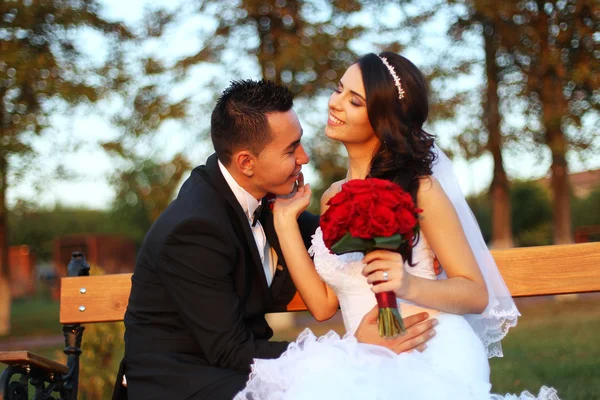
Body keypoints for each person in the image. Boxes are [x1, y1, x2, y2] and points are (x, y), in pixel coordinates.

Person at [235, 53, 559, 399]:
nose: (336, 103)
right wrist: (285, 222)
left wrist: (405, 282)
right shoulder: (333, 199)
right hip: (365, 352)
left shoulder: (421, 189)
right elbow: (325, 305)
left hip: (432, 347)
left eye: (354, 100)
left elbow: (476, 293)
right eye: (339, 89)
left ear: (383, 118)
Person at [112, 79, 439, 400]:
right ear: (246, 162)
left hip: (236, 369)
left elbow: (343, 238)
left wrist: (417, 242)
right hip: (185, 380)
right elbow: (231, 351)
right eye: (290, 149)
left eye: (299, 141)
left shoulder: (271, 202)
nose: (305, 157)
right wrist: (349, 349)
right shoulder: (194, 229)